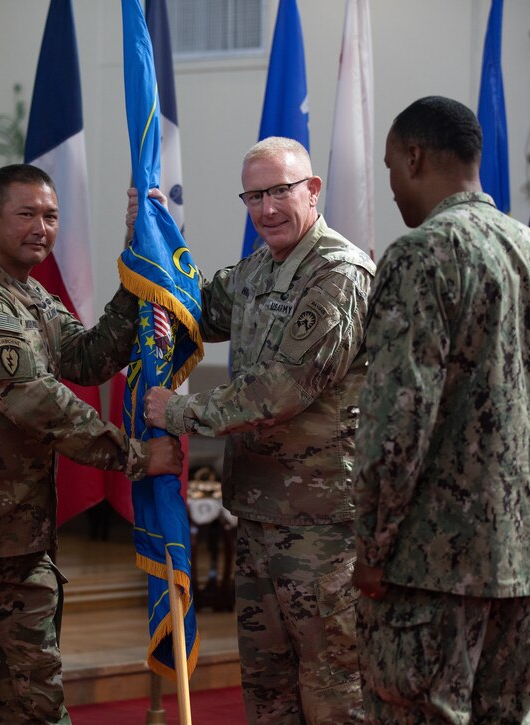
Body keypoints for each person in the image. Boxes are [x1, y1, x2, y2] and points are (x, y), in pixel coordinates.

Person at [352, 96, 530, 722]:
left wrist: (374, 546)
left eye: (390, 169)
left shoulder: (421, 256)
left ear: (415, 156)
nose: (393, 188)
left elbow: (397, 421)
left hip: (430, 573)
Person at [0, 163, 184, 724]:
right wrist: (135, 457)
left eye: (51, 216)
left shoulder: (30, 295)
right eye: (26, 214)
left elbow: (87, 358)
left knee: (38, 710)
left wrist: (138, 267)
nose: (41, 227)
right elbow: (37, 401)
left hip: (22, 547)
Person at [142, 136, 375, 724]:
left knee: (332, 692)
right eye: (254, 196)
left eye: (280, 191)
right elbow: (190, 305)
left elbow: (280, 392)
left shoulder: (338, 275)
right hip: (260, 515)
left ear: (313, 190)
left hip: (322, 528)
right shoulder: (256, 272)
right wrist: (148, 236)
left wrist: (178, 412)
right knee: (268, 692)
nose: (267, 209)